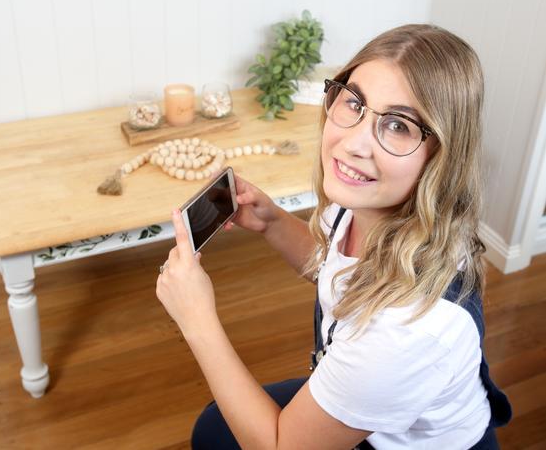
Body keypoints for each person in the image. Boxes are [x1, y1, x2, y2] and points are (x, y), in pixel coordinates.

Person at [155, 24, 512, 449]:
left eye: (398, 126)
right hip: (374, 405)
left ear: (444, 154)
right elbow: (338, 271)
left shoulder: (405, 331)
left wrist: (197, 321)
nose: (353, 144)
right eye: (354, 102)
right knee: (215, 429)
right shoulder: (365, 205)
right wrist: (272, 223)